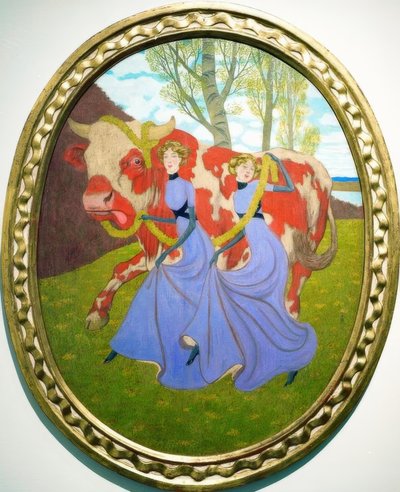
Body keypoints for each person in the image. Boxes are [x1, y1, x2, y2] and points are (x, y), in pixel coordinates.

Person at [182, 153, 317, 391]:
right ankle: (213, 342)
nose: (247, 171)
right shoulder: (236, 196)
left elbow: (288, 188)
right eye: (243, 167)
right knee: (237, 294)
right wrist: (221, 249)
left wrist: (278, 165)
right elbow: (244, 230)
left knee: (243, 295)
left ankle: (289, 352)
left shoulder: (257, 186)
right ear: (235, 170)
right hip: (257, 250)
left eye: (250, 169)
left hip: (269, 252)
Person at [104, 140, 214, 390]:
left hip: (195, 244)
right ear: (163, 162)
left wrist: (172, 250)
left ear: (181, 160)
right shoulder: (166, 186)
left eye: (174, 157)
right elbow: (175, 219)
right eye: (167, 158)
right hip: (182, 238)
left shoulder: (186, 185)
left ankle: (197, 340)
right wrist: (148, 217)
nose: (170, 161)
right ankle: (127, 341)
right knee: (156, 284)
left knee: (175, 284)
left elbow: (191, 222)